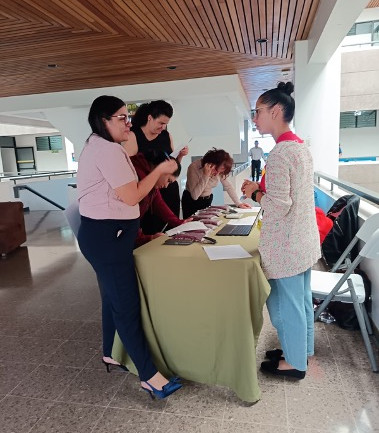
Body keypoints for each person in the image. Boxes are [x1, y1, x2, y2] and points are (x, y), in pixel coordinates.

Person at [76, 95, 182, 399]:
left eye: (128, 116)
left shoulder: (101, 146)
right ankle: (150, 377)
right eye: (122, 117)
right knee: (126, 307)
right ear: (103, 120)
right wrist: (160, 171)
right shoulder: (108, 151)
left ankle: (110, 352)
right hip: (109, 239)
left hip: (106, 236)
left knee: (112, 297)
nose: (128, 122)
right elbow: (132, 196)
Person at [241, 82, 320, 379]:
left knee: (286, 307)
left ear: (276, 111)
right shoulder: (300, 147)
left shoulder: (278, 155)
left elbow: (277, 205)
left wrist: (254, 194)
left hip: (286, 245)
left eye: (257, 111)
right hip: (303, 240)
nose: (255, 118)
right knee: (300, 301)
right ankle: (301, 351)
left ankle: (294, 363)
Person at [123, 100, 188, 233]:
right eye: (161, 123)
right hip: (146, 190)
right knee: (150, 229)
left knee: (170, 228)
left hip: (166, 190)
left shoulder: (166, 136)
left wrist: (180, 156)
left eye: (166, 124)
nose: (163, 127)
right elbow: (130, 170)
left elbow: (172, 167)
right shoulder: (133, 136)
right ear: (149, 118)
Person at [130, 150, 192, 247]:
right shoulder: (138, 174)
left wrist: (179, 222)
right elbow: (130, 211)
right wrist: (145, 238)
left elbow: (158, 203)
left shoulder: (151, 180)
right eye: (168, 180)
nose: (166, 186)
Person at [182, 148, 251, 219]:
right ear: (211, 163)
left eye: (220, 172)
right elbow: (195, 196)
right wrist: (206, 175)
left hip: (207, 200)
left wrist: (239, 203)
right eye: (216, 170)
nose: (217, 174)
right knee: (191, 227)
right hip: (191, 202)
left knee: (206, 225)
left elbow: (228, 186)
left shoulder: (220, 169)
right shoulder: (194, 167)